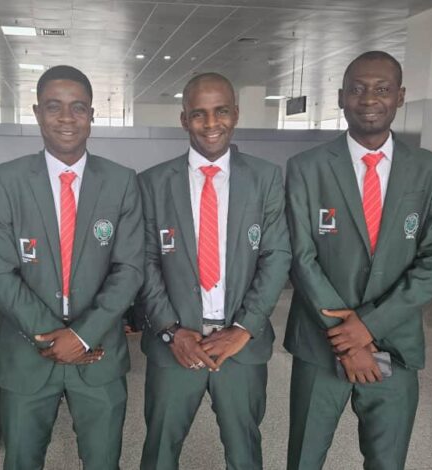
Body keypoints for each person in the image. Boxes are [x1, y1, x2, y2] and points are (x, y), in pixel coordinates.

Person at [284, 51, 432, 470]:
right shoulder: (306, 168)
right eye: (357, 89)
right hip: (320, 346)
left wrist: (368, 327)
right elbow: (300, 257)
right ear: (341, 97)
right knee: (304, 459)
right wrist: (347, 337)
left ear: (400, 96)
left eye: (382, 89)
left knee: (387, 461)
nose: (369, 99)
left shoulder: (431, 170)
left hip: (395, 347)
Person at [0, 65, 143, 470]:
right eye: (54, 106)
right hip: (27, 354)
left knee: (103, 462)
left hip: (99, 353)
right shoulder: (6, 181)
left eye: (78, 107)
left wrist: (82, 335)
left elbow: (129, 269)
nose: (67, 118)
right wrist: (51, 337)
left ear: (92, 115)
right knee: (22, 461)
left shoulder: (122, 182)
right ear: (37, 112)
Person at [137, 72, 291, 469]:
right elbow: (145, 261)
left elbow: (276, 257)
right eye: (198, 113)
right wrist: (171, 330)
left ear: (235, 114)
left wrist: (244, 329)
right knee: (159, 452)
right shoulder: (152, 183)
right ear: (183, 119)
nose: (211, 123)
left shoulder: (265, 178)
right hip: (175, 346)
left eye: (221, 111)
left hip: (241, 348)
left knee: (244, 453)